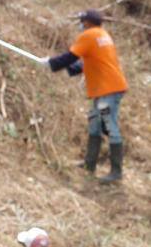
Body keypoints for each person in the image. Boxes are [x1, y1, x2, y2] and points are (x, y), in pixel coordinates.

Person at [47, 9, 129, 183]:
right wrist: (67, 68)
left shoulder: (89, 35)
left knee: (109, 125)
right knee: (95, 125)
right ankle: (89, 164)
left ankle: (116, 173)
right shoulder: (103, 35)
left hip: (108, 89)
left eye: (82, 21)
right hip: (107, 87)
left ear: (87, 22)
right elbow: (90, 62)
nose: (80, 24)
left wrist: (51, 64)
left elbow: (71, 57)